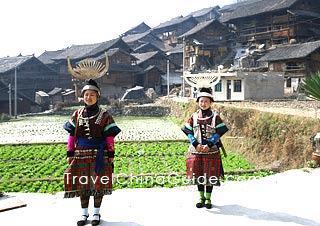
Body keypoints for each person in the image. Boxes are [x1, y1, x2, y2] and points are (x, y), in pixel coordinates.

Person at [63, 79, 121, 226]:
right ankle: (84, 214)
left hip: (99, 155)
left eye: (92, 95)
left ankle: (96, 213)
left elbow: (109, 137)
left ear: (97, 97)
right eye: (86, 94)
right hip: (80, 154)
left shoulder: (105, 115)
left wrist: (110, 154)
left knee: (98, 185)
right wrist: (70, 154)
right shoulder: (77, 114)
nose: (88, 97)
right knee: (82, 184)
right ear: (83, 96)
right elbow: (71, 135)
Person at [181, 87, 229, 209]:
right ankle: (200, 197)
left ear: (210, 102)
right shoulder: (194, 117)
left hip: (211, 151)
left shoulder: (215, 117)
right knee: (199, 176)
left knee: (210, 176)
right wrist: (195, 144)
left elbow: (220, 131)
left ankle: (208, 199)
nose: (203, 104)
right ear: (198, 102)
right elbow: (188, 131)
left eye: (206, 101)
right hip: (195, 152)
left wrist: (210, 144)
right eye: (201, 101)